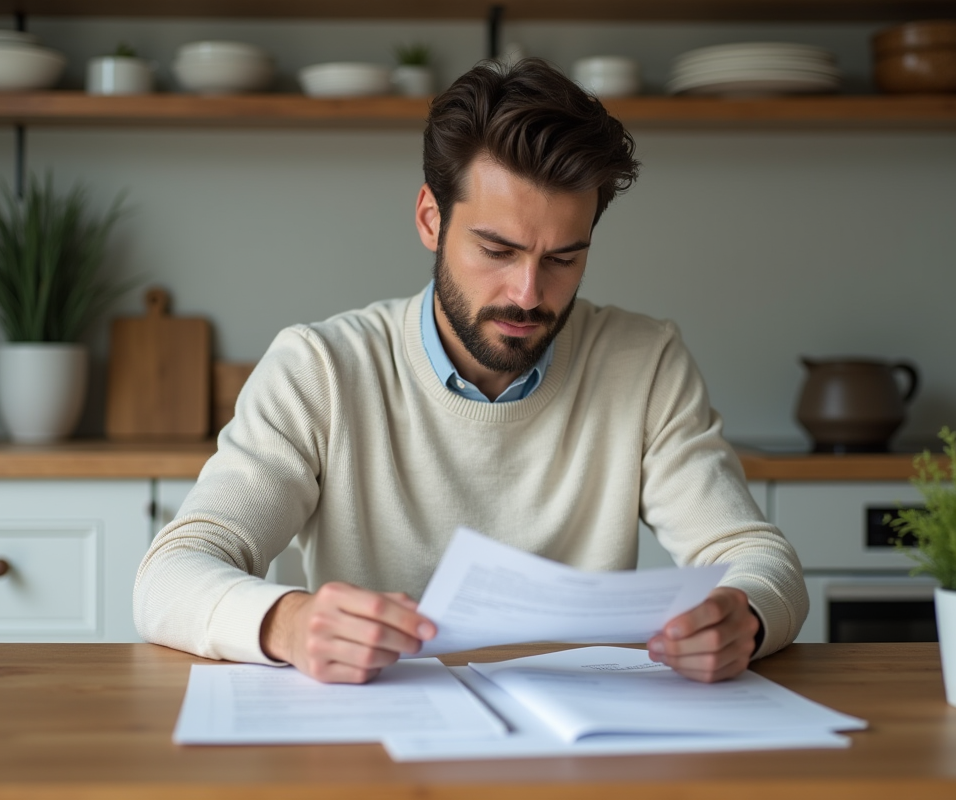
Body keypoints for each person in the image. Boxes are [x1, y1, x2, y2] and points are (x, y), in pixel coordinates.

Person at [134, 58, 808, 685]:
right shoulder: (322, 368)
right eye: (497, 249)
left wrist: (742, 617)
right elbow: (168, 575)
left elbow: (758, 556)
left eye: (564, 258)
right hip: (377, 737)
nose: (527, 292)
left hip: (581, 744)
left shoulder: (645, 362)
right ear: (431, 218)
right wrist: (287, 623)